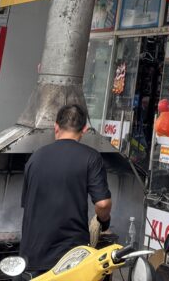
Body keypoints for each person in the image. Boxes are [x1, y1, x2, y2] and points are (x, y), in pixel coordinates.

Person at [20, 104, 112, 275]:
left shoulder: (35, 157)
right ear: (84, 129)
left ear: (56, 126)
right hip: (70, 259)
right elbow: (103, 203)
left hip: (31, 257)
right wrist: (104, 221)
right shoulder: (91, 157)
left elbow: (27, 205)